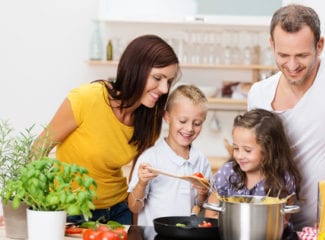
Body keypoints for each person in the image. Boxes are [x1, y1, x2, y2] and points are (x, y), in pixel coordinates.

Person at [33, 34, 180, 225]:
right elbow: (38, 149)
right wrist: (35, 208)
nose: (164, 89)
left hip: (119, 210)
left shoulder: (148, 118)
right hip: (71, 211)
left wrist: (134, 225)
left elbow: (136, 181)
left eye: (169, 81)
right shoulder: (87, 98)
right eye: (158, 78)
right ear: (135, 70)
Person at [247, 4, 325, 230]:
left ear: (320, 45)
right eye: (283, 55)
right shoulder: (259, 94)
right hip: (276, 227)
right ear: (272, 45)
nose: (292, 65)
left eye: (302, 55)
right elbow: (257, 165)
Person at [127, 84, 212, 226]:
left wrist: (202, 195)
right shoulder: (150, 158)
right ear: (167, 117)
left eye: (197, 123)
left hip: (187, 235)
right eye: (182, 121)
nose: (189, 128)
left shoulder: (201, 161)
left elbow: (202, 207)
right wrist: (142, 183)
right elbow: (134, 207)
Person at [204, 109, 301, 225]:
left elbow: (282, 223)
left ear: (269, 150)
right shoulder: (227, 173)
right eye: (236, 148)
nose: (239, 156)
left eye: (247, 150)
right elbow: (211, 215)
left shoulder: (283, 179)